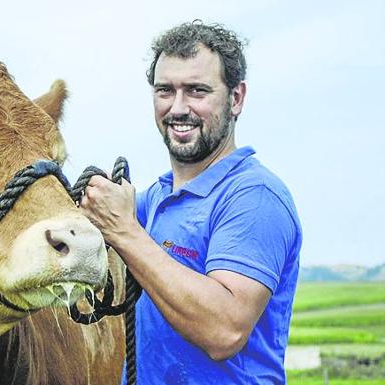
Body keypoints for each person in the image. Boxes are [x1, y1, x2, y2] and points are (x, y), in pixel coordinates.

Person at [80, 21, 302, 385]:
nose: (178, 108)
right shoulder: (153, 200)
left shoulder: (254, 196)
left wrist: (124, 232)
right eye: (165, 90)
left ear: (236, 98)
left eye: (197, 91)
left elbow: (224, 331)